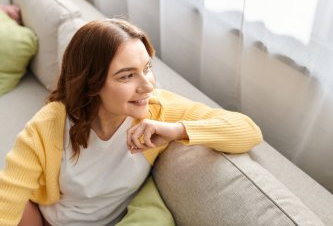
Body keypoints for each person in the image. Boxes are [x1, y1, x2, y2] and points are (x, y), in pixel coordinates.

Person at [0, 19, 263, 226]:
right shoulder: (48, 126)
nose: (147, 85)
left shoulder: (158, 111)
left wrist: (176, 130)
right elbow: (8, 200)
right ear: (92, 83)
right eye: (127, 76)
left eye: (147, 68)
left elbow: (248, 131)